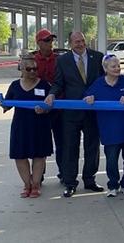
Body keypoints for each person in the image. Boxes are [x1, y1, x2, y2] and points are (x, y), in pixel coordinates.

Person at [45, 31, 105, 198]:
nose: (80, 44)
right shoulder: (62, 61)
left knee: (92, 147)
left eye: (82, 40)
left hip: (92, 112)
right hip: (71, 113)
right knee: (70, 148)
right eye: (76, 41)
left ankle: (90, 180)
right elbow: (58, 83)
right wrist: (52, 94)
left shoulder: (98, 57)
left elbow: (103, 81)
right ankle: (70, 183)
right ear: (70, 43)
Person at [0, 56, 52, 198]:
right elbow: (7, 104)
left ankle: (35, 185)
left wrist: (45, 109)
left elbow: (53, 104)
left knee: (39, 155)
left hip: (40, 125)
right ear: (21, 69)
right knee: (20, 156)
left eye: (35, 68)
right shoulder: (15, 85)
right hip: (21, 125)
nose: (33, 71)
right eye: (29, 69)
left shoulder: (44, 85)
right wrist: (1, 102)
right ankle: (27, 184)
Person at [83, 55, 124, 197]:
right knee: (111, 161)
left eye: (118, 65)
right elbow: (87, 96)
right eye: (113, 66)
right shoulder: (98, 83)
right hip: (109, 131)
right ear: (105, 69)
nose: (117, 68)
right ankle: (113, 185)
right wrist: (89, 98)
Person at [33, 28, 64, 183]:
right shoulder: (32, 61)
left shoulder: (60, 59)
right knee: (40, 143)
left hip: (58, 107)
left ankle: (64, 173)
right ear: (38, 43)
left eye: (51, 40)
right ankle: (39, 175)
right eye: (46, 40)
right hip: (39, 109)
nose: (50, 43)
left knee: (62, 142)